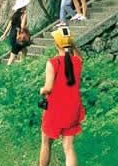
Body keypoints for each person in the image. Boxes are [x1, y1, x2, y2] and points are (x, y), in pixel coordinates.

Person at [39, 26, 85, 166]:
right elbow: (79, 57)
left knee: (46, 143)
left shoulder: (53, 63)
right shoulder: (77, 61)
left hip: (55, 109)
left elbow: (48, 88)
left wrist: (41, 90)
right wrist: (71, 44)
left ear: (56, 44)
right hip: (73, 109)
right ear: (70, 43)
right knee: (69, 148)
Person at [0, 0, 30, 64]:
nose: (26, 6)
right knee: (12, 56)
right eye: (25, 5)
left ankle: (21, 65)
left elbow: (9, 24)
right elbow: (22, 26)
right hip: (18, 37)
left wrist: (4, 34)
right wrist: (26, 29)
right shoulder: (24, 15)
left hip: (12, 36)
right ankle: (7, 68)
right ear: (23, 7)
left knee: (24, 50)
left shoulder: (14, 15)